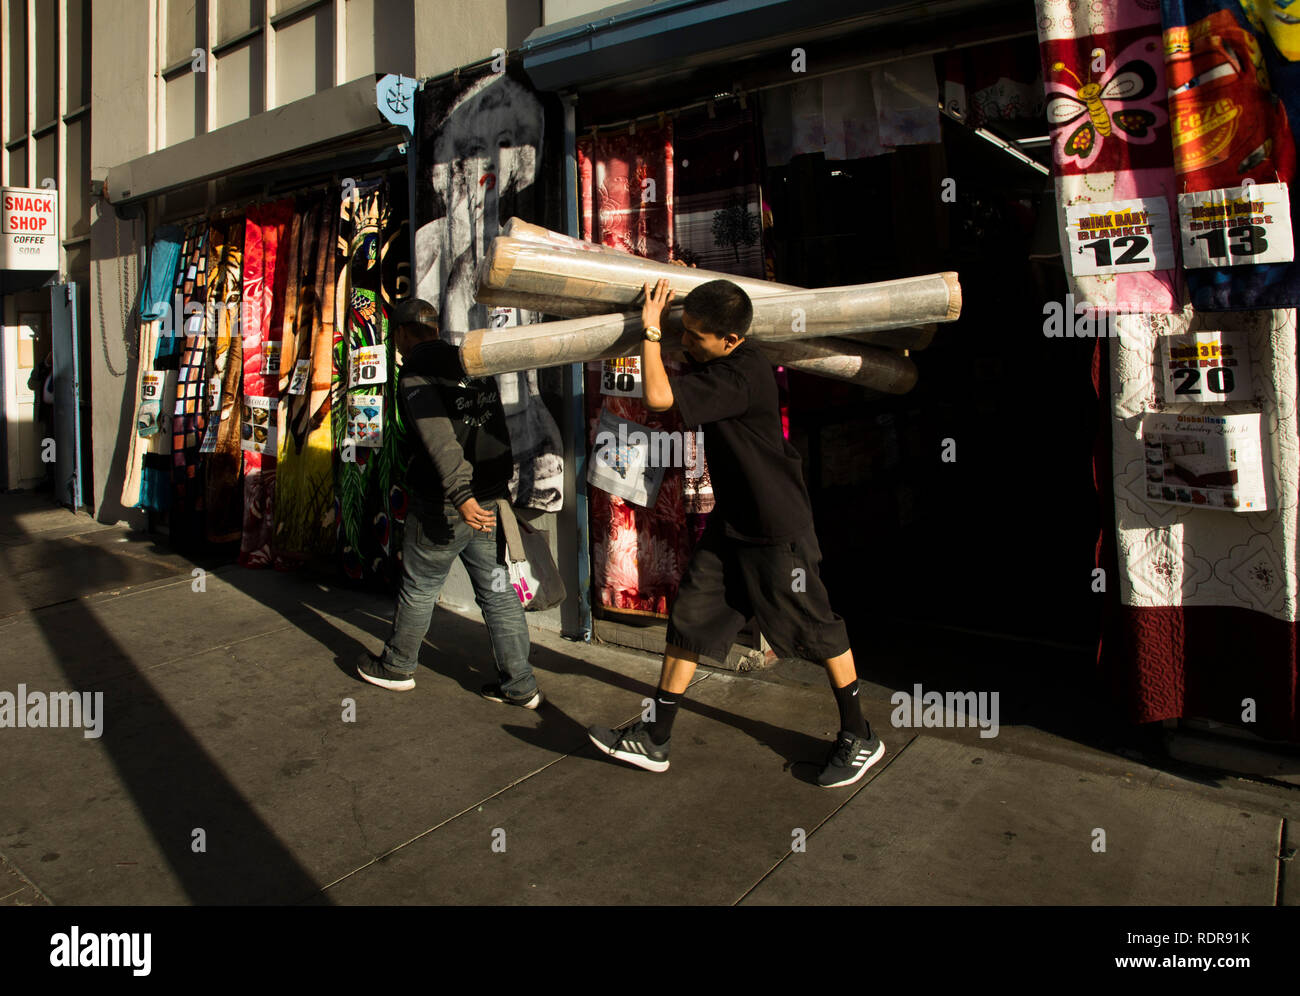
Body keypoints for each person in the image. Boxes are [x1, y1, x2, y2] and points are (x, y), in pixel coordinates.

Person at [587, 278, 884, 787]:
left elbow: (658, 398)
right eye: (685, 332)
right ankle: (655, 736)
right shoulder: (722, 358)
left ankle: (860, 736)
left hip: (774, 525)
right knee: (691, 618)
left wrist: (651, 331)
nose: (686, 342)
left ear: (730, 339)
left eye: (696, 337)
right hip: (733, 524)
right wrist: (681, 284)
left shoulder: (740, 377)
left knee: (815, 627)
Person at [356, 298, 542, 709]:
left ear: (402, 332)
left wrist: (461, 493)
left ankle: (398, 666)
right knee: (497, 591)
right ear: (434, 326)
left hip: (448, 506)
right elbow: (497, 428)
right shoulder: (468, 361)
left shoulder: (416, 370)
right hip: (488, 501)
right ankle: (520, 685)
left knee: (420, 586)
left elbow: (438, 437)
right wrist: (497, 490)